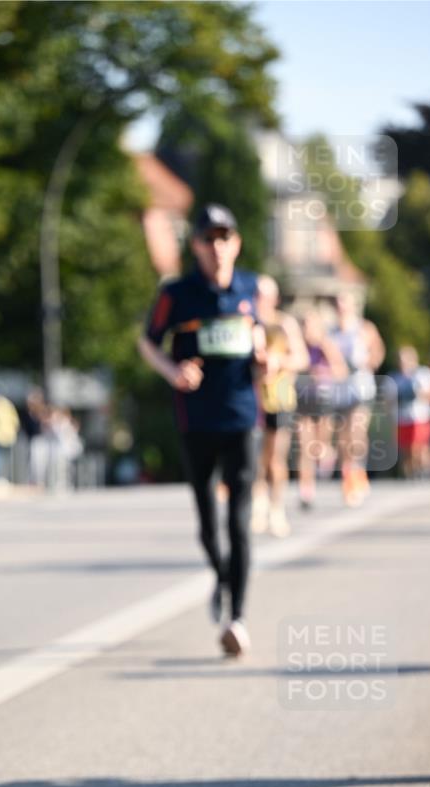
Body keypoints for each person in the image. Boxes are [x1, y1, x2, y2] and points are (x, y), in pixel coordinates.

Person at [139, 204, 265, 657]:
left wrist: (264, 359)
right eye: (207, 239)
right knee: (209, 525)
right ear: (195, 245)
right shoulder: (178, 293)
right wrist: (173, 371)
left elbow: (260, 338)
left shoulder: (251, 288)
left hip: (242, 417)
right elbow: (147, 343)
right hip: (196, 418)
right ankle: (223, 577)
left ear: (236, 243)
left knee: (241, 520)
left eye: (223, 238)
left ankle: (238, 616)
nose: (216, 247)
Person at [251, 275, 309, 537]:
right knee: (254, 459)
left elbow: (301, 358)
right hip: (251, 399)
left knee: (275, 458)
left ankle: (276, 508)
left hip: (279, 398)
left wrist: (277, 361)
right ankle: (258, 505)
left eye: (265, 296)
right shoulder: (248, 323)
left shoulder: (284, 324)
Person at [328, 292, 385, 506]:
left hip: (361, 388)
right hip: (339, 390)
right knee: (342, 438)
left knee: (356, 432)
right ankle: (347, 476)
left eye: (345, 303)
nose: (341, 307)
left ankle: (358, 471)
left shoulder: (364, 328)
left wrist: (367, 362)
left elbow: (378, 352)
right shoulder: (330, 331)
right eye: (338, 303)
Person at [295, 309, 348, 509]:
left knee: (318, 446)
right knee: (304, 446)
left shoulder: (326, 345)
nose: (306, 330)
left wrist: (323, 373)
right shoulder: (298, 346)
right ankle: (306, 491)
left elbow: (341, 371)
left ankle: (327, 454)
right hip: (302, 400)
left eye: (309, 325)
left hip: (324, 399)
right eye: (304, 325)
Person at [392, 346, 430, 478]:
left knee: (418, 446)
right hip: (401, 418)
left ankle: (422, 470)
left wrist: (421, 395)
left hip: (419, 416)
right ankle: (409, 473)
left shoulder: (423, 373)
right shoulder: (394, 377)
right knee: (405, 449)